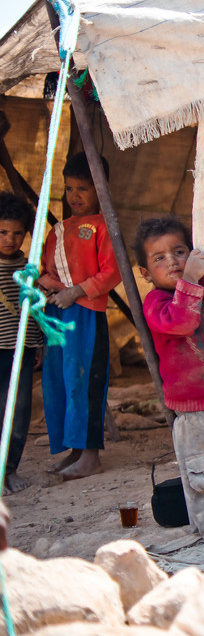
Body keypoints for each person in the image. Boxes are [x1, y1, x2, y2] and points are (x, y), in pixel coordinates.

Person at [133, 216, 204, 544]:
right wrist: (193, 280)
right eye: (159, 258)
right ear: (145, 274)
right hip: (192, 408)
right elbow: (181, 322)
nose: (172, 262)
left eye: (180, 252)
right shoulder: (156, 302)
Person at [38, 153, 121, 480]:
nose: (74, 196)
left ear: (100, 189)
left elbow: (111, 272)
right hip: (57, 316)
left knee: (85, 383)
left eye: (83, 189)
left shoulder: (104, 227)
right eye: (69, 188)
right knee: (59, 382)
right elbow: (47, 270)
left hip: (86, 317)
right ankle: (73, 451)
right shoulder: (59, 230)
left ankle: (90, 457)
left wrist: (76, 291)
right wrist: (49, 287)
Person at [0, 193, 45, 495]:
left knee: (18, 410)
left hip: (21, 351)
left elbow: (36, 309)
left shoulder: (29, 268)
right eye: (3, 232)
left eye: (18, 233)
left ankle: (10, 469)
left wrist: (39, 343)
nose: (10, 239)